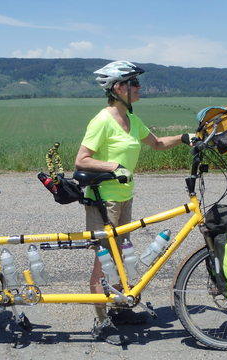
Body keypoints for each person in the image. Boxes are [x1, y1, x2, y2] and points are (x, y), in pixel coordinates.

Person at [75, 60, 194, 345]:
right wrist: (112, 166)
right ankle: (101, 321)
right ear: (118, 88)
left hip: (124, 199)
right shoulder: (102, 120)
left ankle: (118, 309)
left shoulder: (132, 119)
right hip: (103, 202)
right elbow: (81, 159)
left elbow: (157, 144)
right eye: (134, 83)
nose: (140, 87)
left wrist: (185, 137)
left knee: (121, 258)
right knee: (104, 262)